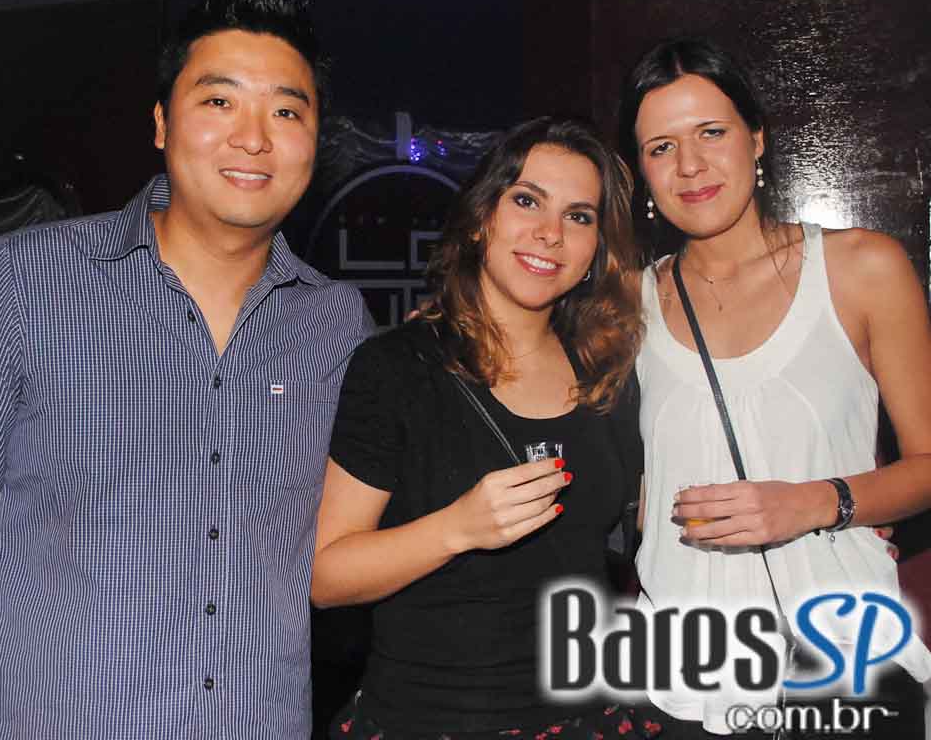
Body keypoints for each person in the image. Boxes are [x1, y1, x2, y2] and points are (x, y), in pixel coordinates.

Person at [0, 0, 369, 739]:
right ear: (162, 123)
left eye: (286, 111)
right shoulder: (30, 279)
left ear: (315, 139)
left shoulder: (338, 326)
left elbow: (354, 547)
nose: (253, 138)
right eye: (219, 101)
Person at [617, 37, 931, 737]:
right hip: (680, 682)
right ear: (641, 171)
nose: (689, 165)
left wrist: (819, 502)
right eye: (661, 147)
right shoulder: (624, 307)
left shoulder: (862, 269)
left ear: (756, 138)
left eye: (711, 132)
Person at [311, 117, 657, 738]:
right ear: (478, 220)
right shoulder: (398, 368)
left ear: (594, 252)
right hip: (431, 719)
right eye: (526, 201)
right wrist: (458, 528)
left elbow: (642, 524)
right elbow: (327, 577)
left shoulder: (607, 375)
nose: (550, 233)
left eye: (579, 216)